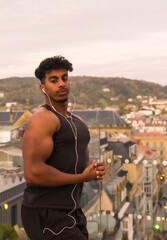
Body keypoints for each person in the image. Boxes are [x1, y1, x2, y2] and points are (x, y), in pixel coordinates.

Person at [21, 56, 105, 239]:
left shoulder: (78, 122)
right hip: (44, 211)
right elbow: (33, 172)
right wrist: (82, 176)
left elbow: (79, 164)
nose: (61, 84)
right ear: (42, 87)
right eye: (54, 80)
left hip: (72, 211)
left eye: (64, 78)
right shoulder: (42, 119)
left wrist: (90, 170)